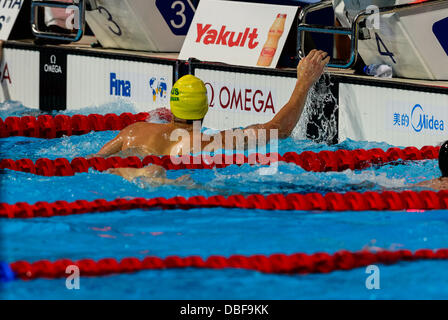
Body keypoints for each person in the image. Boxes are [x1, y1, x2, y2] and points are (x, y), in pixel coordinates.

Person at [95, 50, 330, 182]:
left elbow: (92, 163)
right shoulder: (209, 142)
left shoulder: (133, 131)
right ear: (206, 109)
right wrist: (304, 82)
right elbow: (280, 128)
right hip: (175, 182)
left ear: (173, 107)